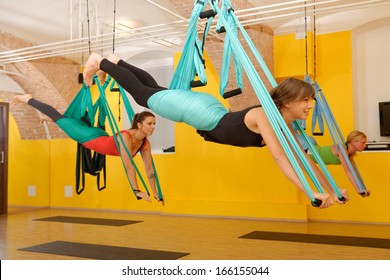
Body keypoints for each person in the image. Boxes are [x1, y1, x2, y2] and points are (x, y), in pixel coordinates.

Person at [83, 52, 349, 208]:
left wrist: (333, 190)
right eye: (306, 100)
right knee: (144, 95)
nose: (309, 106)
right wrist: (310, 193)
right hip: (202, 113)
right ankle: (102, 62)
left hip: (208, 110)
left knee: (156, 93)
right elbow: (280, 157)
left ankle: (116, 61)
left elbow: (305, 159)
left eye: (311, 100)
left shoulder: (286, 126)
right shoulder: (265, 117)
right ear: (289, 101)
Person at [12, 94, 164, 205]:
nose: (153, 127)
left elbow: (149, 169)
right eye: (150, 123)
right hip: (90, 138)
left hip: (101, 135)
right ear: (139, 125)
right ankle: (28, 99)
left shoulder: (145, 144)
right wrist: (137, 191)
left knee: (66, 122)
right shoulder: (126, 138)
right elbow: (129, 166)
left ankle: (53, 119)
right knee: (59, 117)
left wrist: (155, 191)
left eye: (154, 124)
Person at [297, 131, 370, 197]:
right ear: (354, 142)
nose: (365, 145)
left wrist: (363, 188)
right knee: (287, 128)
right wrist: (358, 189)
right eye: (363, 143)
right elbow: (348, 171)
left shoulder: (349, 155)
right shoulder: (342, 150)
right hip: (306, 145)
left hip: (309, 146)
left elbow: (355, 172)